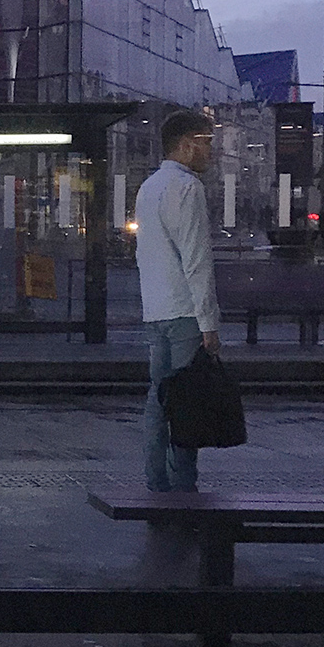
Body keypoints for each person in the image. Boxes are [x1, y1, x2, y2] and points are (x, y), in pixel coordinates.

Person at [135, 109, 220, 493]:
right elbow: (196, 260)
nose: (211, 151)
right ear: (186, 145)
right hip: (186, 313)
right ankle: (184, 488)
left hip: (156, 310)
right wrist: (209, 324)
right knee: (187, 405)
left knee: (159, 399)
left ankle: (156, 483)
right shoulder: (188, 188)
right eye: (206, 142)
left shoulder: (148, 187)